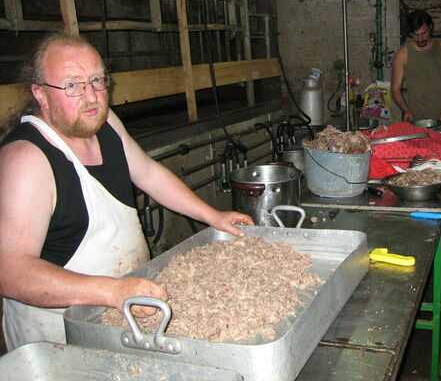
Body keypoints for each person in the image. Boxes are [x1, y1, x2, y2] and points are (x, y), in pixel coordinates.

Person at [0, 32, 254, 351]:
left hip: (122, 313)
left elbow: (148, 173)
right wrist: (113, 291)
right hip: (58, 336)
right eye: (72, 85)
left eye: (97, 80)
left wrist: (213, 216)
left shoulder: (104, 122)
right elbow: (10, 271)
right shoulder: (26, 159)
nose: (91, 96)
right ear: (40, 93)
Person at [391, 10, 441, 124]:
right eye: (415, 35)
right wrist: (405, 109)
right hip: (416, 119)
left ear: (430, 27)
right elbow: (395, 88)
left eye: (424, 33)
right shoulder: (402, 55)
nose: (420, 39)